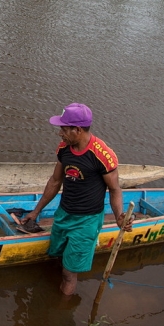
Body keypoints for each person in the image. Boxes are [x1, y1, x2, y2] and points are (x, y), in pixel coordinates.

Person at [19, 103, 132, 297]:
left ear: (77, 130)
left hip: (86, 221)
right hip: (64, 214)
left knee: (69, 273)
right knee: (56, 255)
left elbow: (114, 190)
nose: (60, 133)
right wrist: (36, 211)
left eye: (63, 129)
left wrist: (118, 217)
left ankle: (61, 314)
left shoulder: (102, 156)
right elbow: (55, 181)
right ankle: (51, 301)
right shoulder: (64, 148)